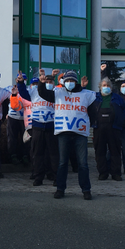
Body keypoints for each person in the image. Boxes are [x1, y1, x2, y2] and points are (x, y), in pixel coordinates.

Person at [36, 69, 98, 200]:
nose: (70, 83)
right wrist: (42, 82)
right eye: (68, 80)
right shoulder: (58, 93)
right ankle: (60, 188)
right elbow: (43, 94)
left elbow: (92, 113)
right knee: (62, 162)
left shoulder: (86, 94)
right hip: (63, 132)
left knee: (83, 163)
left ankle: (86, 190)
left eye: (72, 81)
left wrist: (87, 125)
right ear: (64, 82)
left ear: (76, 82)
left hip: (80, 133)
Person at [15, 72, 58, 186]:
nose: (48, 84)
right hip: (37, 126)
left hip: (51, 125)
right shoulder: (34, 91)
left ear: (54, 83)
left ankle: (54, 175)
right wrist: (20, 82)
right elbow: (23, 93)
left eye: (50, 82)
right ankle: (38, 176)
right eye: (46, 82)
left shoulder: (56, 93)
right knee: (37, 153)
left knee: (53, 153)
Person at [90, 77, 125, 181]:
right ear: (100, 87)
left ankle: (116, 173)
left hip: (114, 128)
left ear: (111, 88)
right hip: (99, 128)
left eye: (108, 86)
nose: (106, 87)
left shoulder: (118, 98)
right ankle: (103, 173)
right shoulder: (94, 97)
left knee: (115, 151)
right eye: (104, 86)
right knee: (100, 151)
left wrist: (121, 121)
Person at [6, 73, 29, 166]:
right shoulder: (9, 89)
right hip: (13, 117)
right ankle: (13, 156)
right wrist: (4, 114)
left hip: (25, 118)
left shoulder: (29, 89)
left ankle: (25, 156)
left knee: (26, 139)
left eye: (24, 78)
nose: (22, 79)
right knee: (12, 138)